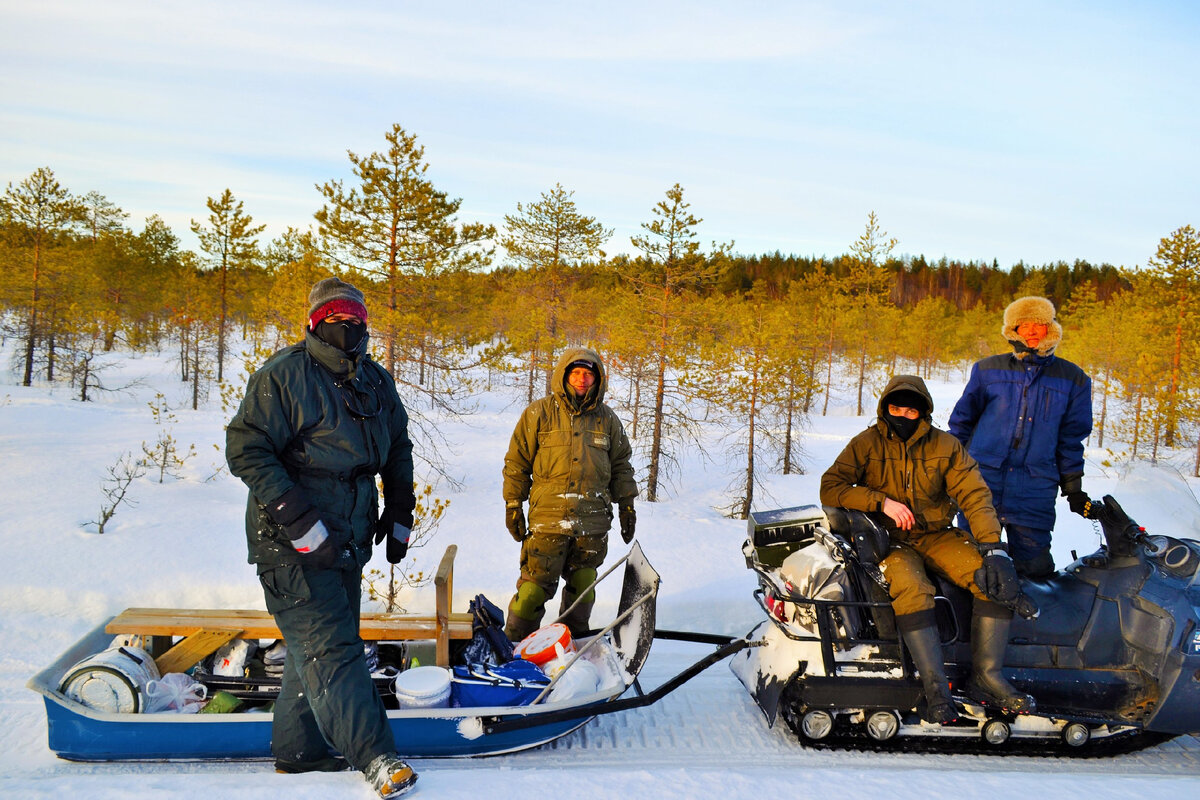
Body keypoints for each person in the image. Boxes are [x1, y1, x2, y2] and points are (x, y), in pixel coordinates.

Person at [226, 277, 418, 799]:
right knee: (333, 651)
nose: (347, 326)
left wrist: (401, 508)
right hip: (290, 545)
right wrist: (296, 515)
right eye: (334, 317)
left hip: (346, 542)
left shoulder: (375, 382)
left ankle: (299, 752)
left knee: (315, 650)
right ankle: (377, 757)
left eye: (355, 318)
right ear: (314, 322)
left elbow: (397, 446)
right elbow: (246, 448)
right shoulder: (285, 376)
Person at [820, 375, 1036, 723]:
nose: (903, 415)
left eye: (911, 409)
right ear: (884, 408)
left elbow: (975, 495)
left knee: (989, 576)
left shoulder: (945, 446)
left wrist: (993, 547)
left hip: (936, 534)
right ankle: (936, 688)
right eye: (895, 408)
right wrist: (880, 502)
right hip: (890, 540)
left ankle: (987, 677)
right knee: (912, 588)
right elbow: (831, 487)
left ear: (924, 412)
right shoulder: (867, 443)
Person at [948, 296, 1094, 578]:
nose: (1030, 331)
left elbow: (1071, 437)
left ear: (1049, 328)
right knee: (971, 566)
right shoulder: (987, 370)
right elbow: (961, 423)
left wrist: (1073, 487)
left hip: (1035, 488)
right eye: (1023, 325)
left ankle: (1033, 621)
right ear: (1013, 330)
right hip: (982, 482)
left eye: (1037, 324)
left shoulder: (1074, 378)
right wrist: (946, 470)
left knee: (1034, 571)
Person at [502, 347, 638, 642]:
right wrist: (513, 504)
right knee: (532, 591)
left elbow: (621, 465)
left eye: (588, 374)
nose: (581, 379)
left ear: (597, 379)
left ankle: (571, 650)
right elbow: (517, 462)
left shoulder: (608, 420)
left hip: (592, 523)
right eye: (575, 373)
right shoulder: (538, 413)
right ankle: (512, 648)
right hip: (547, 521)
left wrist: (627, 505)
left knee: (583, 587)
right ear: (563, 376)